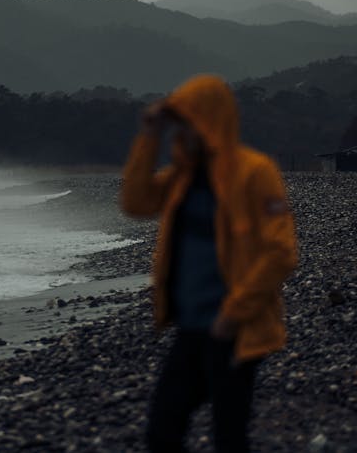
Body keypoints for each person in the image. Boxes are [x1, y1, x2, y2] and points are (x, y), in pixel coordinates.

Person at [120, 75, 297, 453]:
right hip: (190, 327)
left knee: (228, 435)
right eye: (176, 122)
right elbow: (135, 203)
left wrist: (232, 315)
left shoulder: (254, 171)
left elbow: (280, 252)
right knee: (163, 430)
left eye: (185, 120)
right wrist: (149, 137)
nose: (178, 131)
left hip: (235, 331)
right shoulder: (182, 177)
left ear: (208, 121)